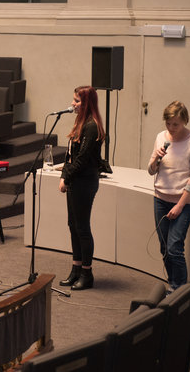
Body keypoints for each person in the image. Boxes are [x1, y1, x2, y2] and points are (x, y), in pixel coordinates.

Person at [58, 86, 105, 290]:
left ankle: (87, 273)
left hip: (85, 182)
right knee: (72, 225)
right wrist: (64, 175)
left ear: (86, 103)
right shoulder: (80, 123)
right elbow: (70, 156)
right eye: (74, 100)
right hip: (75, 181)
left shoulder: (92, 126)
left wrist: (66, 178)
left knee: (82, 228)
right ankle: (76, 268)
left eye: (77, 101)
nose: (73, 104)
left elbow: (83, 160)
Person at [147, 101, 190, 293]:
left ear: (184, 121)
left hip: (183, 202)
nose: (171, 128)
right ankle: (173, 285)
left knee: (175, 247)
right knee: (164, 248)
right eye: (168, 123)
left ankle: (178, 291)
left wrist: (180, 205)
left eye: (176, 124)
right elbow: (150, 171)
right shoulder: (160, 137)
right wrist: (156, 158)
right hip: (160, 198)